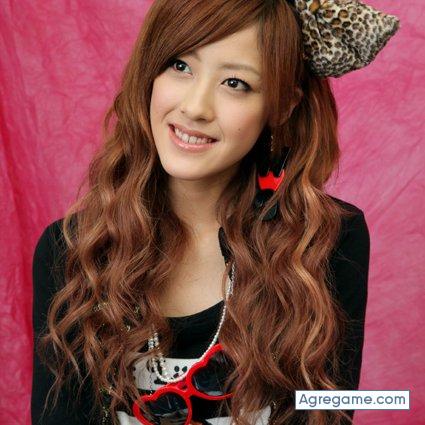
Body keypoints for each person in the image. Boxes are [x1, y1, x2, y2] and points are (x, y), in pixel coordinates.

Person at [31, 0, 400, 424]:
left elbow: (326, 410)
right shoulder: (73, 251)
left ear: (282, 106)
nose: (196, 107)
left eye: (235, 83)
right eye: (180, 66)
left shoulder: (325, 241)